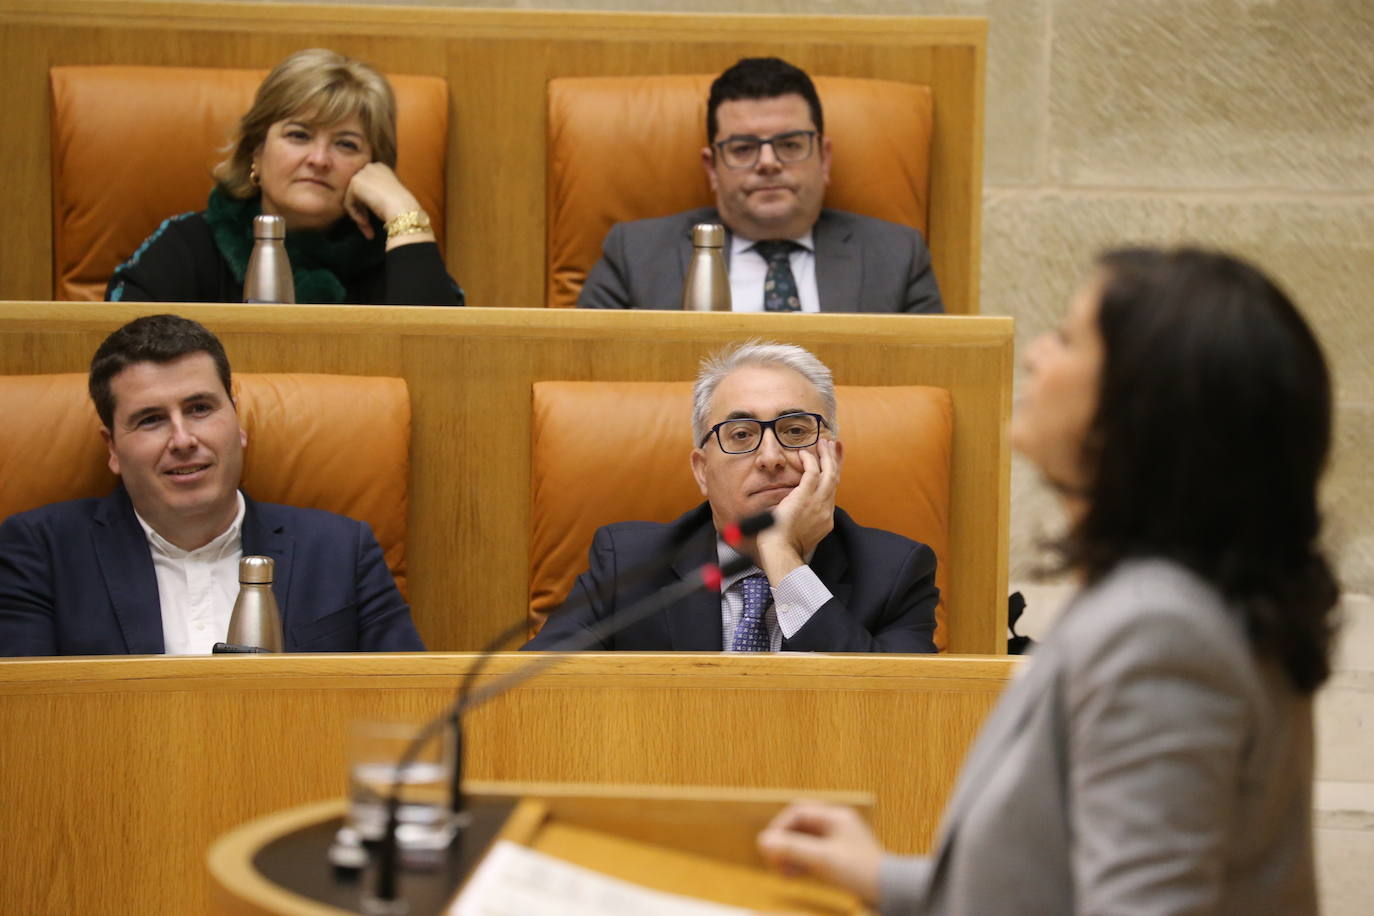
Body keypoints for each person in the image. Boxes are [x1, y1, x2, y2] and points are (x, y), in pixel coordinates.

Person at [756, 248, 1339, 913]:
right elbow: (1041, 886)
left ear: (1138, 406)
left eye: (1066, 339)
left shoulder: (1161, 633)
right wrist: (879, 874)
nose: (1035, 355)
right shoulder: (1162, 598)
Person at [0, 314, 425, 656]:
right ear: (112, 448)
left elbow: (409, 706)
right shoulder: (39, 552)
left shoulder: (342, 550)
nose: (184, 440)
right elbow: (27, 725)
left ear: (236, 422)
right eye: (151, 420)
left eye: (200, 408)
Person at [523, 340, 939, 652]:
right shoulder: (628, 565)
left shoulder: (896, 573)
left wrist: (783, 557)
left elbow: (888, 713)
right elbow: (537, 694)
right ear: (702, 471)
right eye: (741, 435)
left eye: (795, 431)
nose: (771, 457)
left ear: (833, 458)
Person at [576, 57, 942, 314]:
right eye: (743, 148)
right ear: (712, 168)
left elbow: (932, 384)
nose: (768, 162)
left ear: (824, 158)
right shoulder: (635, 255)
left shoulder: (897, 257)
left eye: (790, 144)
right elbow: (588, 376)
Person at [107, 48, 463, 306]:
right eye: (299, 135)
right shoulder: (187, 246)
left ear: (373, 170)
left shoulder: (396, 261)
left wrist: (402, 210)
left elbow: (442, 367)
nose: (320, 159)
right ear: (255, 152)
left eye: (346, 144)